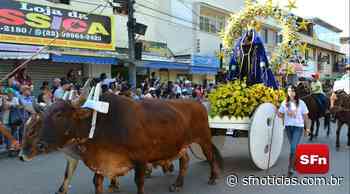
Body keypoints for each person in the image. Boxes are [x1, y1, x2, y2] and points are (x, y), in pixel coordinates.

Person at [278, 85, 311, 177]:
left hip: (298, 127)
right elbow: (280, 114)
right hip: (288, 128)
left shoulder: (301, 103)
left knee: (293, 147)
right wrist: (278, 112)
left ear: (296, 92)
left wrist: (307, 129)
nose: (291, 93)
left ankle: (290, 169)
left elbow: (306, 116)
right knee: (294, 147)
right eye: (289, 91)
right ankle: (295, 162)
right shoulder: (284, 103)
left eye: (292, 91)